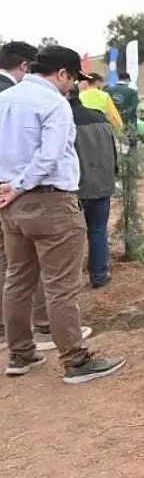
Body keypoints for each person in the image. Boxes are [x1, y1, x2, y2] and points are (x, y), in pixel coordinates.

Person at [0, 45, 126, 383]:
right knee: (60, 287)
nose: (72, 88)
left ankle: (21, 353)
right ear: (61, 74)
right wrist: (21, 184)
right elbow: (50, 156)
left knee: (17, 281)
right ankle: (76, 360)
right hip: (50, 203)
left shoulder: (5, 99)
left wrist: (10, 187)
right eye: (72, 80)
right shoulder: (53, 103)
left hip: (11, 206)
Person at [0, 41, 51, 350]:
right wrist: (17, 185)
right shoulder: (12, 97)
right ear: (24, 67)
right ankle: (43, 327)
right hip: (16, 193)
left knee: (12, 267)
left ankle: (11, 336)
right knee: (25, 265)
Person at [69, 88, 118, 288]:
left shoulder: (61, 119)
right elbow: (113, 151)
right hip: (102, 183)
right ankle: (99, 275)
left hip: (75, 187)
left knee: (71, 235)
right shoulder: (100, 118)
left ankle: (69, 281)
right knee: (98, 230)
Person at [107, 71, 141, 146]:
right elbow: (133, 108)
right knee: (131, 144)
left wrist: (116, 117)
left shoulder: (108, 91)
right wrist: (123, 116)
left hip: (113, 122)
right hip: (129, 122)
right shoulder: (132, 92)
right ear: (127, 80)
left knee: (114, 144)